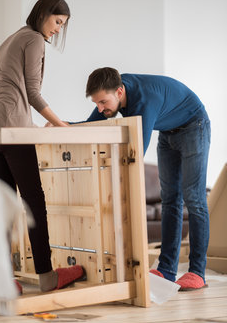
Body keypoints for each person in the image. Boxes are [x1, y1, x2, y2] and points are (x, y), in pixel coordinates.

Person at [0, 0, 85, 293]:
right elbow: (31, 92)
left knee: (2, 205)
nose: (58, 29)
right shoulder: (34, 40)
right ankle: (46, 276)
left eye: (62, 24)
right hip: (13, 129)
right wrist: (59, 124)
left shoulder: (12, 38)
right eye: (57, 21)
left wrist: (32, 124)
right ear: (44, 14)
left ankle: (4, 279)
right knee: (34, 202)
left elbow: (8, 90)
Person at [83, 67, 211, 291]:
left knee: (194, 199)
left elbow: (135, 152)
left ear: (119, 92)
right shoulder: (114, 94)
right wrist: (60, 125)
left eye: (103, 102)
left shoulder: (143, 100)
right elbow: (90, 126)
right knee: (170, 199)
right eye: (97, 104)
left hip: (194, 126)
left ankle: (197, 272)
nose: (100, 108)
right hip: (168, 132)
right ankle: (166, 270)